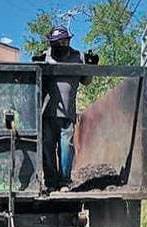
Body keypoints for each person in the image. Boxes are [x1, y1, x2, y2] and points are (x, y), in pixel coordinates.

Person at [33, 26, 98, 191]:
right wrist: (37, 66)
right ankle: (50, 182)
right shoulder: (46, 56)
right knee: (47, 147)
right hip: (47, 113)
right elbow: (35, 83)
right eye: (57, 42)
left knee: (66, 147)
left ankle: (64, 182)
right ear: (52, 43)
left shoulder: (78, 57)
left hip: (67, 114)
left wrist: (90, 67)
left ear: (68, 40)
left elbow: (86, 81)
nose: (61, 44)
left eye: (64, 41)